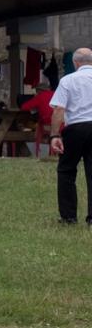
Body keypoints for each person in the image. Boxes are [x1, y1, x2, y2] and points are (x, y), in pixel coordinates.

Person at [50, 48, 92, 225]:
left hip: (75, 128)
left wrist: (54, 135)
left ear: (75, 63)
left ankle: (68, 217)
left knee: (66, 170)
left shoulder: (68, 80)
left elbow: (59, 109)